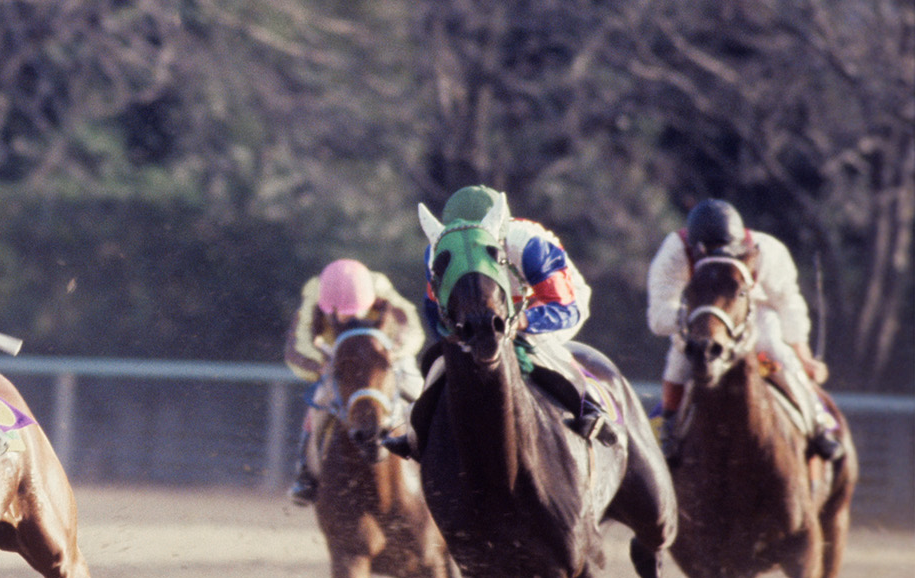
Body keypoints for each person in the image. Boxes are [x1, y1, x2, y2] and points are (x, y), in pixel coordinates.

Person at [388, 184, 609, 457]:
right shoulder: (438, 253)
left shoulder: (530, 245)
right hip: (485, 310)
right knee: (443, 362)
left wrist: (523, 321)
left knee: (535, 346)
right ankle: (416, 429)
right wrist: (453, 337)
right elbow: (434, 309)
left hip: (547, 303)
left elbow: (566, 309)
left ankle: (590, 404)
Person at [646, 198, 842, 461]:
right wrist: (693, 319)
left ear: (739, 241)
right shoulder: (674, 253)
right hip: (699, 318)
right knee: (679, 361)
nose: (717, 254)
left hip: (751, 317)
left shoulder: (766, 250)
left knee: (778, 354)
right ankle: (668, 428)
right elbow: (659, 317)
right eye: (708, 250)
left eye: (725, 248)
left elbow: (788, 304)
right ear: (693, 246)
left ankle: (817, 426)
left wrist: (803, 355)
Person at [284, 258, 424, 504]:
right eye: (341, 313)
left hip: (385, 354)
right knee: (319, 402)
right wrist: (319, 365)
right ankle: (305, 473)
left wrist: (395, 352)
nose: (349, 317)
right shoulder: (314, 292)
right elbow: (297, 345)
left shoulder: (382, 288)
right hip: (338, 358)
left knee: (421, 394)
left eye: (355, 310)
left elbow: (413, 329)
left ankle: (444, 461)